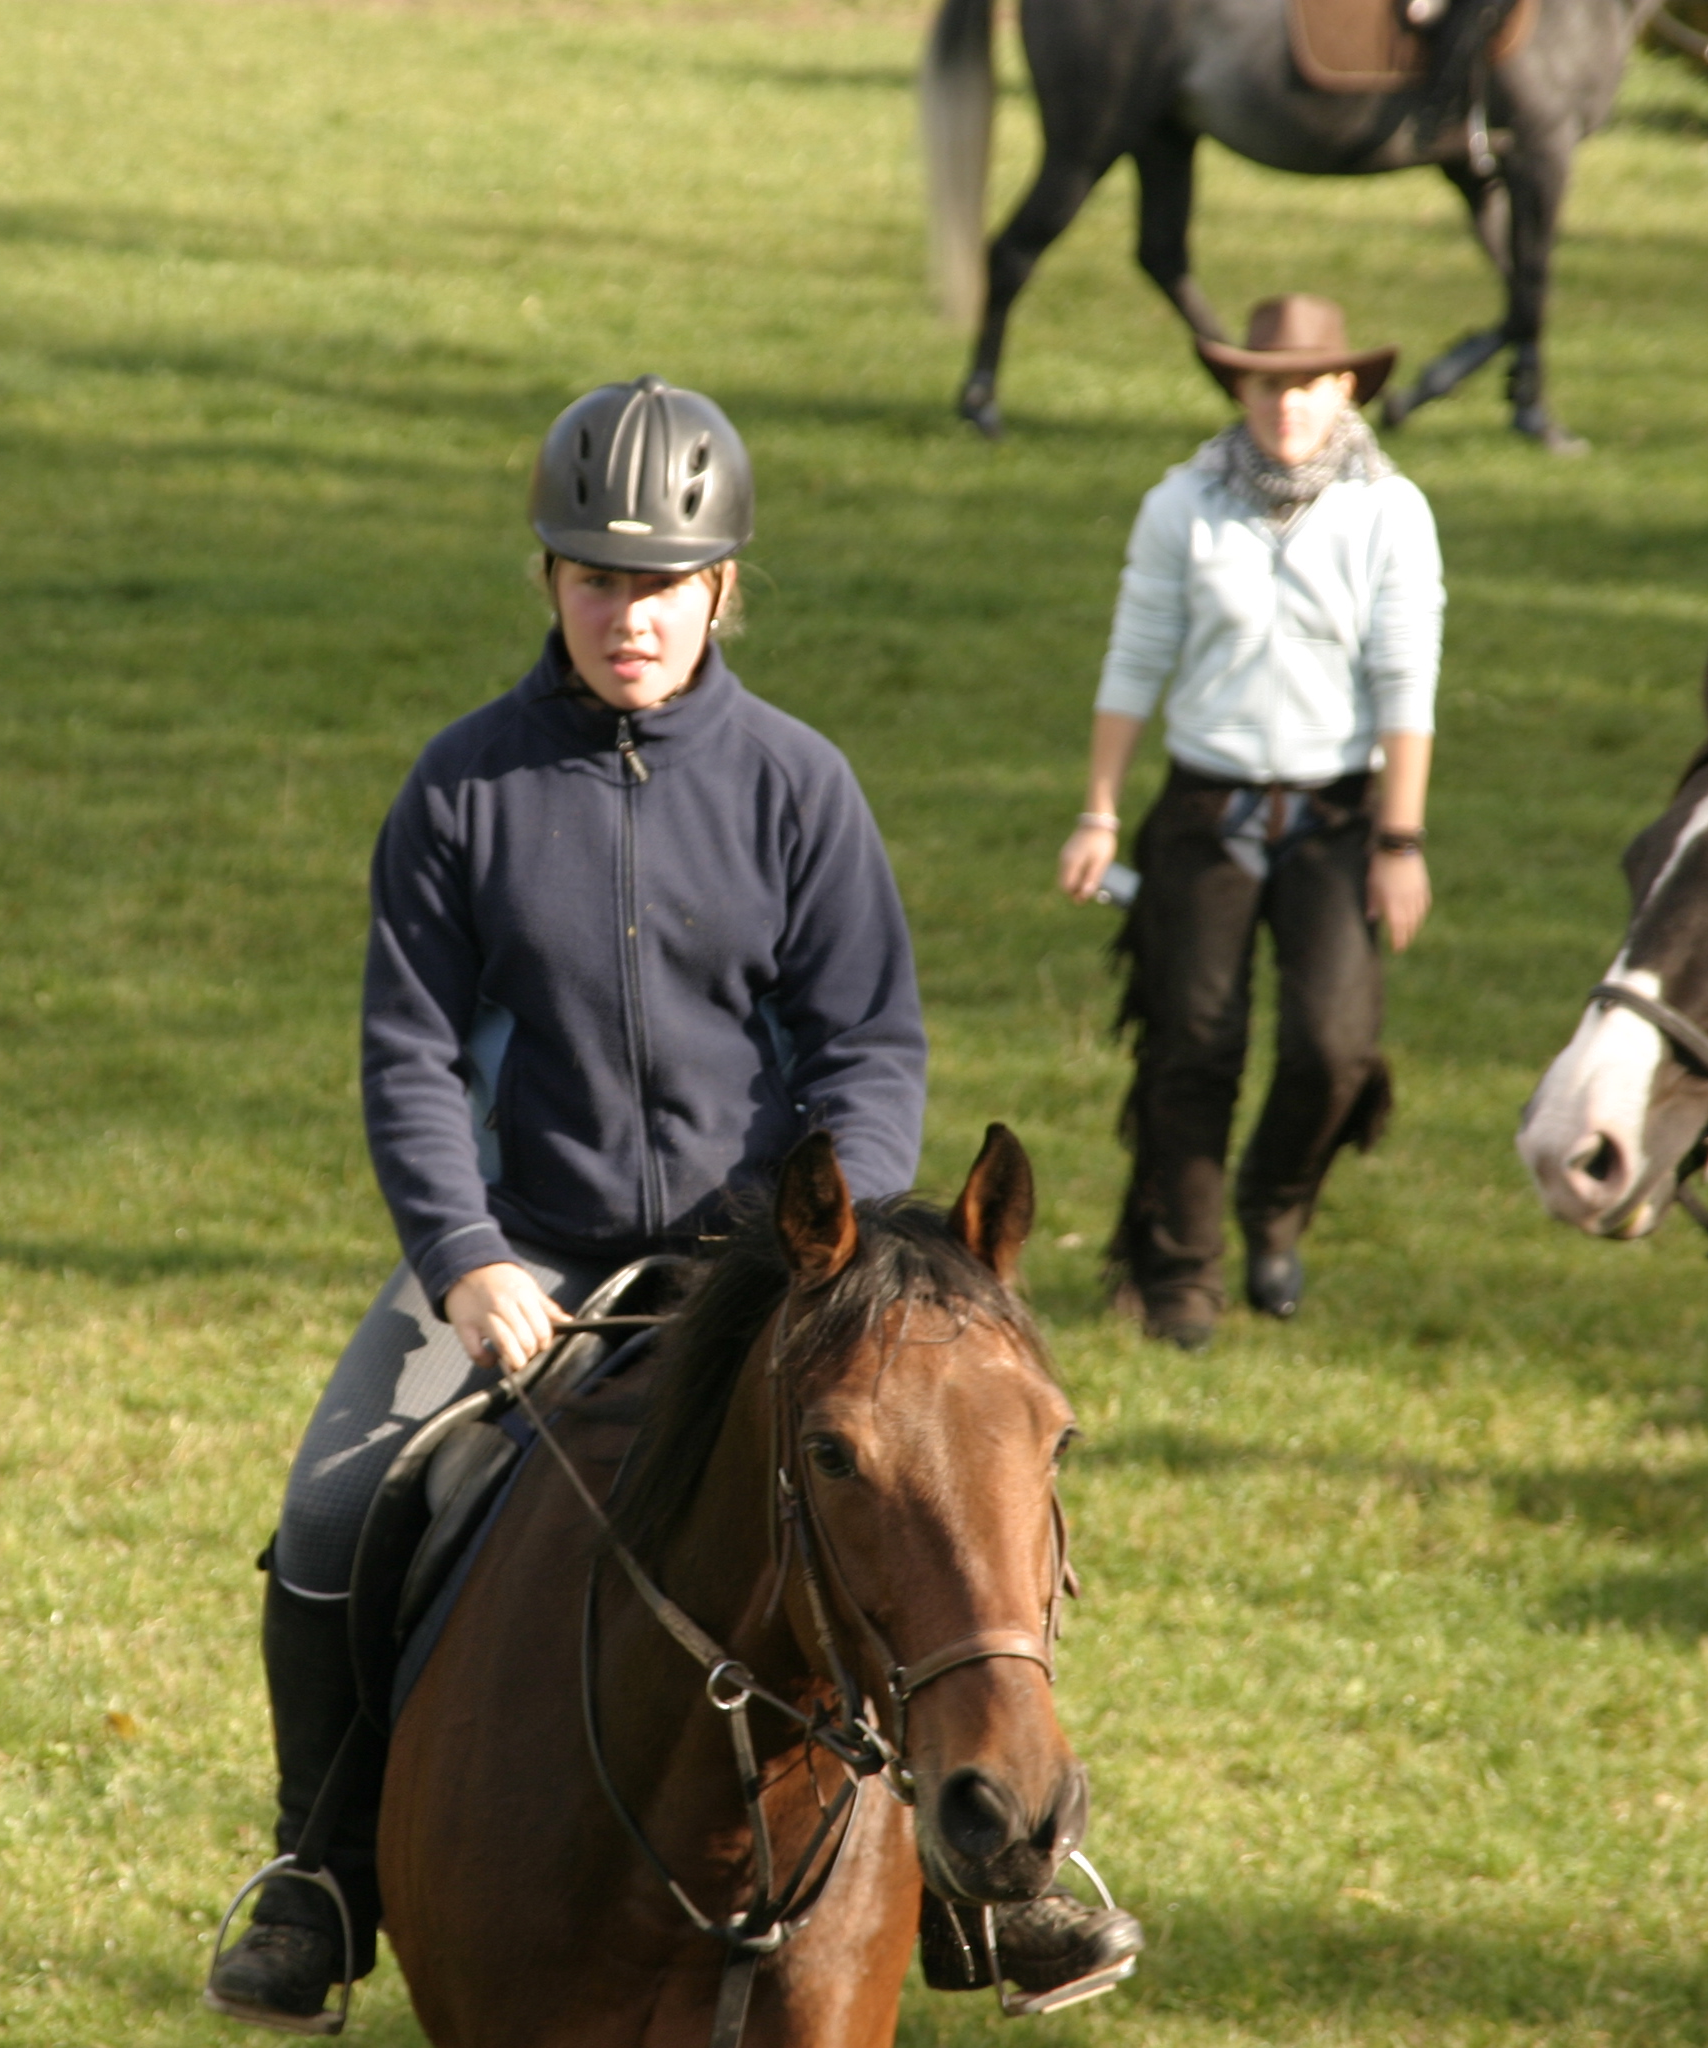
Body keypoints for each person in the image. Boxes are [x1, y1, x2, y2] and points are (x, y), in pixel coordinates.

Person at [206, 376, 1138, 2031]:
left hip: (766, 1269)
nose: (627, 613)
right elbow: (409, 1054)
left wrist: (829, 1253)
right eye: (594, 577)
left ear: (723, 586)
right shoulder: (460, 791)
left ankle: (998, 1882)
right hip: (529, 1263)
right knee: (334, 1523)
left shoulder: (797, 785)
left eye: (661, 581)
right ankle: (321, 1872)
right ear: (547, 580)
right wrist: (466, 1259)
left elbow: (866, 1037)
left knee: (945, 1499)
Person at [1057, 295, 1443, 1351]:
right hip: (1204, 804)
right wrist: (1098, 808)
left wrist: (1399, 842)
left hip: (1337, 814)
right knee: (1192, 1046)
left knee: (1335, 1045)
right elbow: (1135, 659)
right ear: (1240, 388)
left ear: (1346, 387)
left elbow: (1409, 681)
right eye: (1270, 382)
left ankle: (1276, 1204)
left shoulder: (1389, 513)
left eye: (1309, 382)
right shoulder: (1181, 504)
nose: (1289, 403)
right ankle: (1180, 1272)